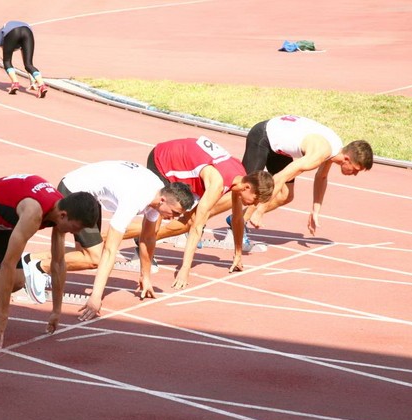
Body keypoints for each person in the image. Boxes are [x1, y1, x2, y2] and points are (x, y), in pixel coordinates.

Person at [21, 161, 194, 321]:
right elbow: (110, 250)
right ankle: (38, 268)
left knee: (85, 253)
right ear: (163, 200)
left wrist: (145, 276)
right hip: (74, 191)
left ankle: (29, 259)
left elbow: (148, 238)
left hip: (90, 194)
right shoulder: (134, 199)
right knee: (95, 257)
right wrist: (96, 297)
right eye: (175, 212)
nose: (174, 217)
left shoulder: (158, 194)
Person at [0, 174, 98, 349]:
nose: (74, 233)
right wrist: (2, 316)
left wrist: (56, 310)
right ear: (63, 215)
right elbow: (7, 264)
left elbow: (58, 263)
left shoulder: (62, 206)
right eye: (75, 228)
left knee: (17, 280)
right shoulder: (33, 214)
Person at [126, 135, 274, 279]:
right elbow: (198, 228)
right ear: (247, 187)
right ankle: (116, 236)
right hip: (163, 160)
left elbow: (237, 218)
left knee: (189, 221)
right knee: (154, 225)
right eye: (256, 199)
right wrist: (185, 270)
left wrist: (238, 254)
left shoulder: (240, 177)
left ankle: (142, 239)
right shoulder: (217, 184)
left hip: (186, 163)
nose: (255, 205)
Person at [241, 115, 373, 235]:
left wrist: (316, 210)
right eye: (356, 169)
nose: (355, 174)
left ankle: (238, 220)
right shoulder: (319, 154)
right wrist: (260, 211)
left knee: (285, 195)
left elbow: (321, 177)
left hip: (279, 147)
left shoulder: (335, 149)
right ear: (347, 159)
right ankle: (238, 225)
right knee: (243, 189)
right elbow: (280, 178)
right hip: (263, 136)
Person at [0, 21, 48, 98]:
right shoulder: (16, 41)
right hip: (27, 31)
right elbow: (26, 64)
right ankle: (42, 85)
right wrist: (32, 83)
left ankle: (15, 83)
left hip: (13, 32)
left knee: (7, 61)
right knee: (29, 64)